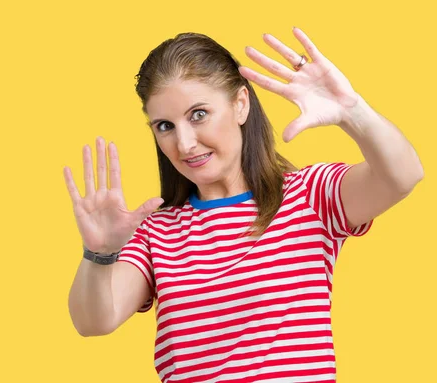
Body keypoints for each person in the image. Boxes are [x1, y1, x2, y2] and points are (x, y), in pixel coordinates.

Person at [64, 27, 424, 383]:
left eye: (198, 114)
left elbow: (402, 175)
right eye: (164, 126)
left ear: (240, 104)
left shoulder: (308, 197)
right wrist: (99, 253)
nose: (185, 143)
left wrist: (352, 111)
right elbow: (95, 320)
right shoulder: (156, 232)